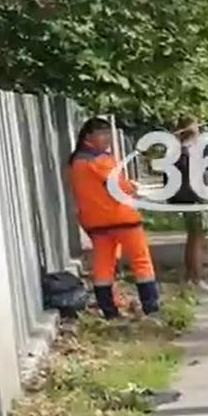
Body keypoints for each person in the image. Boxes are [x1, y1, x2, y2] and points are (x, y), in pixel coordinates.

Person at [67, 117, 159, 319]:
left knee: (103, 268)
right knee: (141, 262)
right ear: (89, 136)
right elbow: (117, 186)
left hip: (95, 223)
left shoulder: (75, 162)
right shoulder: (98, 160)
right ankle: (151, 308)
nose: (107, 138)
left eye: (108, 134)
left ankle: (109, 310)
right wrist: (132, 187)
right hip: (121, 218)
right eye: (103, 134)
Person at [169, 118, 208, 294]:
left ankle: (191, 277)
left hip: (189, 199)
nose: (200, 130)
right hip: (194, 199)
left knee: (193, 239)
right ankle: (196, 278)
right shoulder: (188, 151)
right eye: (197, 127)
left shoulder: (180, 150)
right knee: (197, 239)